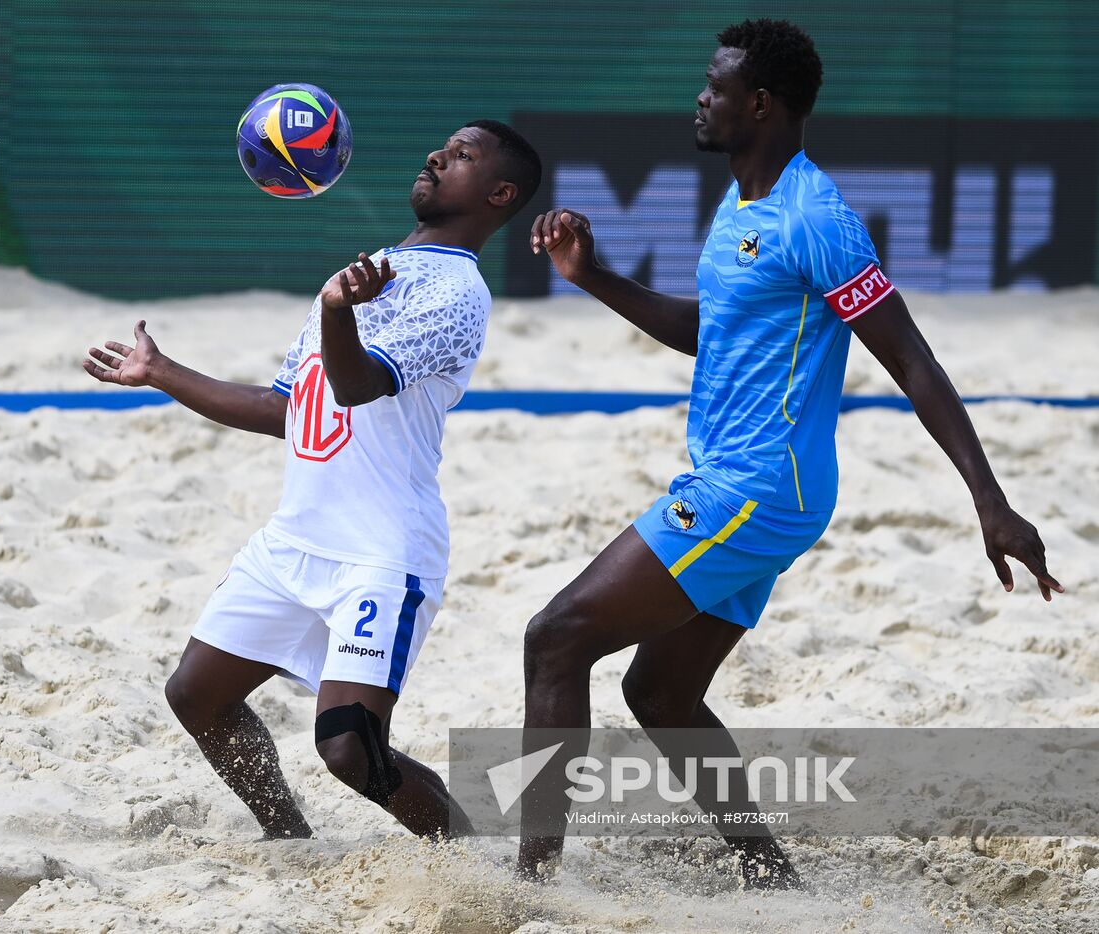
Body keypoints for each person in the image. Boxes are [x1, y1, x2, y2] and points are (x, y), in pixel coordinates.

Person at [519, 19, 1062, 887]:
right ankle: (773, 878)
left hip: (756, 488)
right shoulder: (742, 204)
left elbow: (912, 359)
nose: (701, 96)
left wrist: (988, 499)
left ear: (760, 103)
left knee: (554, 640)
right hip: (750, 486)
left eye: (715, 84)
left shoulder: (815, 217)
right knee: (659, 695)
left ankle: (528, 888)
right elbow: (713, 333)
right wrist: (592, 277)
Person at [83, 121, 542, 839]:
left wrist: (337, 310)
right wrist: (161, 372)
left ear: (499, 192)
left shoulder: (458, 294)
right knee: (197, 695)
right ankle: (286, 835)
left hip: (382, 556)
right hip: (295, 540)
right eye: (442, 147)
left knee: (349, 750)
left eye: (461, 156)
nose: (435, 155)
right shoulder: (370, 271)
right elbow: (284, 410)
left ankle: (469, 860)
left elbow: (356, 385)